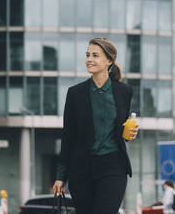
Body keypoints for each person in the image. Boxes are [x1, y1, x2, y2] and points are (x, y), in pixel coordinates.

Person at [52, 38, 139, 214]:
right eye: (87, 55)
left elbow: (119, 129)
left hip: (113, 165)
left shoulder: (124, 91)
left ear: (109, 61)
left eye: (95, 55)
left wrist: (129, 133)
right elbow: (68, 137)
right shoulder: (75, 93)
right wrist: (61, 176)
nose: (89, 59)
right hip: (82, 169)